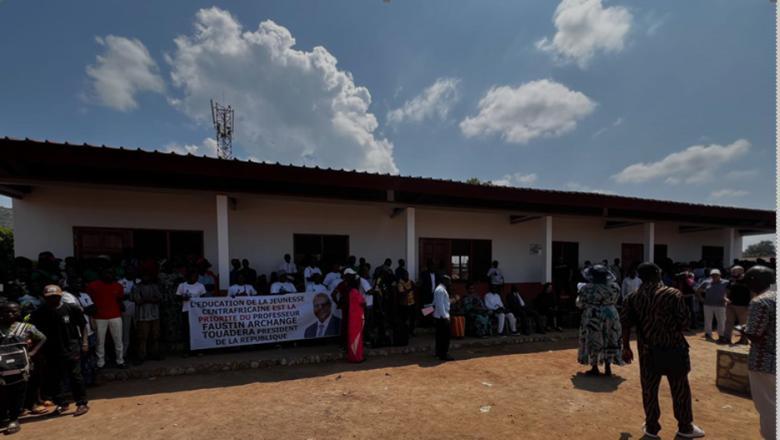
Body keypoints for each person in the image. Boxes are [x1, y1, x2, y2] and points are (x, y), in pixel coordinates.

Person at [621, 263, 704, 439]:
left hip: (647, 350)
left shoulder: (632, 297)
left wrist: (626, 347)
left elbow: (626, 324)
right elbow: (685, 323)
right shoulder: (672, 294)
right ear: (658, 274)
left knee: (649, 390)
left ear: (640, 277)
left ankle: (651, 427)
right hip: (674, 347)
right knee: (680, 388)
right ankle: (685, 427)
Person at [31, 285, 90, 417]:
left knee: (75, 376)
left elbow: (83, 325)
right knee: (54, 378)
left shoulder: (72, 308)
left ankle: (82, 403)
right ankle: (61, 404)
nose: (52, 299)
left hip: (71, 348)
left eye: (55, 296)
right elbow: (33, 330)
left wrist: (85, 342)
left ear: (60, 296)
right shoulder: (39, 312)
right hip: (50, 350)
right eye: (49, 297)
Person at [0, 302, 46, 434]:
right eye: (6, 311)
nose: (10, 314)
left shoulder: (27, 327)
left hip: (20, 367)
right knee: (3, 393)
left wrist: (32, 352)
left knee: (18, 392)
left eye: (13, 311)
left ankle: (14, 419)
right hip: (2, 368)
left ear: (19, 313)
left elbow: (42, 338)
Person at [742, 266, 775, 440]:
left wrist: (744, 330)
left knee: (768, 406)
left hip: (765, 362)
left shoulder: (760, 301)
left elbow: (755, 334)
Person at [576, 264, 622, 376]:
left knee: (593, 340)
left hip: (593, 316)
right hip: (611, 315)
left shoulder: (586, 288)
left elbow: (580, 303)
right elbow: (616, 300)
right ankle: (608, 367)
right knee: (610, 338)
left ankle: (595, 367)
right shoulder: (614, 287)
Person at [86, 269, 126, 369]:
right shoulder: (93, 286)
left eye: (111, 273)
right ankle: (100, 363)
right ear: (101, 274)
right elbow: (88, 300)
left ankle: (120, 361)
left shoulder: (118, 286)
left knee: (118, 340)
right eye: (106, 273)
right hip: (99, 317)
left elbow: (120, 300)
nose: (109, 275)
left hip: (115, 316)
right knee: (100, 341)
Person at [131, 272, 162, 364]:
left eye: (148, 276)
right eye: (144, 276)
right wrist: (151, 299)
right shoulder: (137, 287)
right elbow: (138, 301)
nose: (146, 278)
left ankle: (155, 354)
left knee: (155, 336)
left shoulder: (154, 286)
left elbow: (159, 298)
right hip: (142, 316)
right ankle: (142, 355)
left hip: (155, 315)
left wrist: (146, 299)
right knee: (142, 337)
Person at [175, 270, 207, 354]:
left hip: (197, 312)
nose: (196, 278)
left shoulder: (200, 286)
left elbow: (204, 298)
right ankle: (187, 350)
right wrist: (183, 298)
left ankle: (198, 349)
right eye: (194, 276)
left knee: (197, 330)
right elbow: (177, 297)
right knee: (187, 331)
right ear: (188, 277)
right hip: (186, 311)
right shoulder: (182, 286)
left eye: (197, 276)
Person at [696, 269, 729, 343]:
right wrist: (701, 299)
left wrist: (726, 298)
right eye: (713, 275)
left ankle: (721, 335)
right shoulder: (706, 282)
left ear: (720, 275)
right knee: (707, 320)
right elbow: (698, 290)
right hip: (708, 304)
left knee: (721, 321)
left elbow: (730, 291)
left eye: (716, 275)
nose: (714, 276)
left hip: (720, 305)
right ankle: (708, 333)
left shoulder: (726, 282)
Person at [723, 266, 750, 345]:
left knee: (743, 324)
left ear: (741, 271)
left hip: (743, 306)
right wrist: (725, 298)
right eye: (732, 272)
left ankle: (744, 340)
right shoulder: (731, 280)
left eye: (734, 271)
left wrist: (750, 304)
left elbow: (752, 293)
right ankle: (727, 338)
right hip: (730, 305)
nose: (732, 273)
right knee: (728, 322)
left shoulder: (748, 280)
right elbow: (727, 291)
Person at [118, 267, 138, 361]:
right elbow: (118, 296)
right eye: (128, 271)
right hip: (126, 310)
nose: (131, 273)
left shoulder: (138, 281)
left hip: (138, 310)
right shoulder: (120, 282)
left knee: (138, 332)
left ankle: (138, 353)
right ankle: (123, 354)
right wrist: (127, 296)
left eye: (132, 271)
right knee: (125, 333)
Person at [432, 275, 454, 361]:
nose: (450, 283)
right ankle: (444, 354)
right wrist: (445, 317)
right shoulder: (440, 290)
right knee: (445, 337)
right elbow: (440, 305)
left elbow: (438, 303)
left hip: (439, 316)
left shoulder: (440, 289)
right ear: (444, 281)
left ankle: (439, 352)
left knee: (440, 336)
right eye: (449, 281)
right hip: (442, 317)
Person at [346, 276, 366, 362]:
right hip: (357, 316)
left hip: (352, 316)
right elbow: (362, 302)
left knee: (352, 337)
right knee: (357, 337)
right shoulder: (355, 291)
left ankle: (353, 357)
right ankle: (358, 357)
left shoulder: (350, 291)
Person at [396, 271, 416, 338]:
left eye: (407, 274)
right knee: (404, 319)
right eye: (405, 275)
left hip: (412, 303)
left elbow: (415, 288)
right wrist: (410, 289)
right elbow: (402, 293)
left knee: (412, 318)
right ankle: (405, 333)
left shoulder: (410, 281)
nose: (407, 276)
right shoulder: (400, 283)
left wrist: (413, 288)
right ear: (402, 275)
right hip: (404, 304)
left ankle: (411, 331)